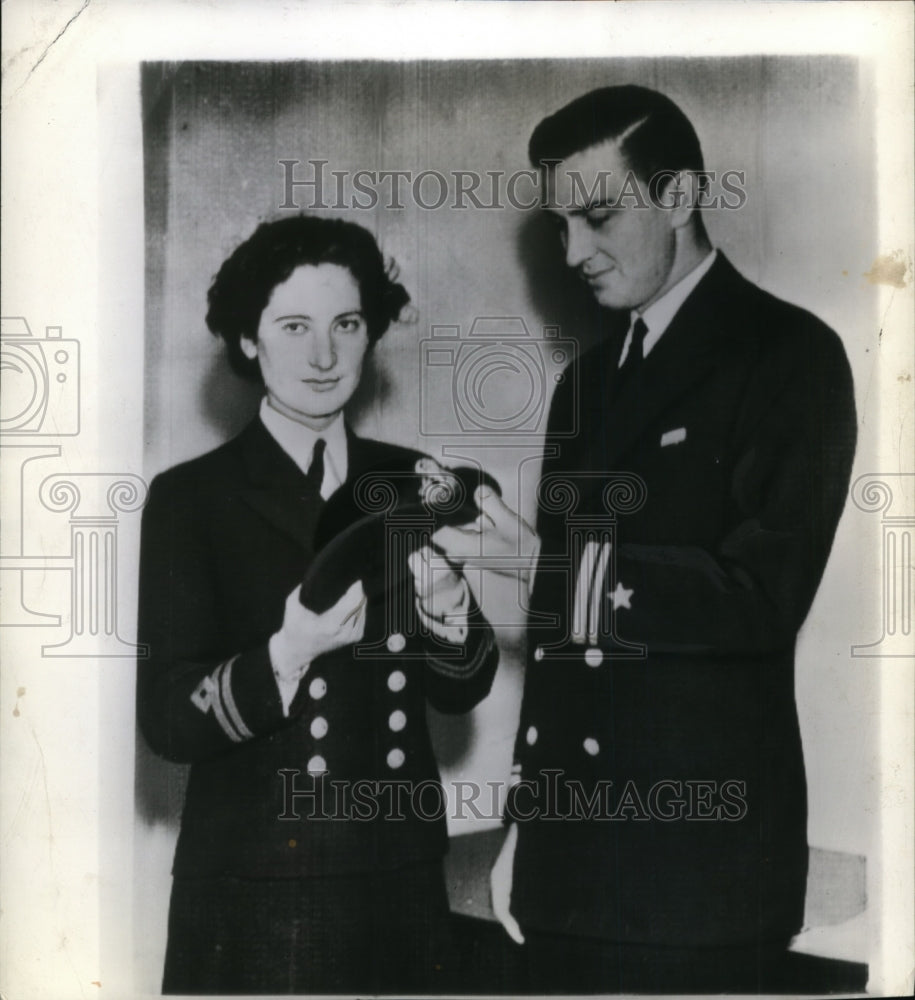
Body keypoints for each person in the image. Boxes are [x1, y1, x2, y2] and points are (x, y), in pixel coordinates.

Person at [433, 85, 858, 992]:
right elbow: (563, 648)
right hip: (566, 870)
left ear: (677, 196)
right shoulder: (582, 386)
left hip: (699, 879)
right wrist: (526, 831)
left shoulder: (790, 355)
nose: (573, 253)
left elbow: (756, 601)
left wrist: (545, 567)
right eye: (559, 226)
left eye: (596, 216)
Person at [136, 214, 498, 994]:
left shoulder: (411, 481)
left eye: (347, 323)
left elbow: (462, 687)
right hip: (257, 883)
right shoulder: (191, 498)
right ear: (247, 340)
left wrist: (446, 606)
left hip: (398, 873)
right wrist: (284, 656)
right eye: (294, 326)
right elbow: (167, 717)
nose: (325, 354)